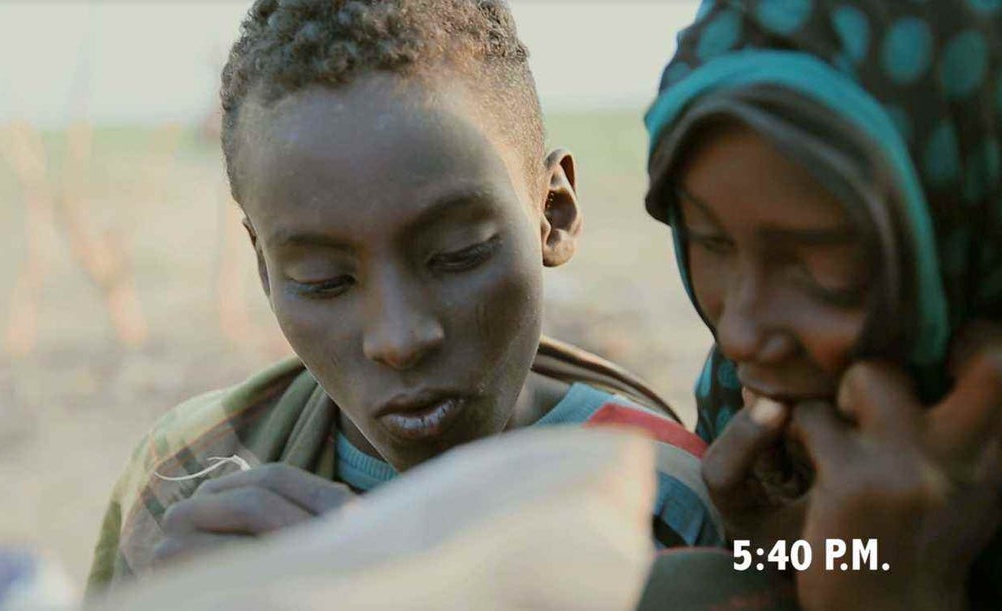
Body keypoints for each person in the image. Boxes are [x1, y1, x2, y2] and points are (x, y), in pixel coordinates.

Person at [86, 0, 719, 599]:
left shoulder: (664, 502)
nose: (398, 337)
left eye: (458, 253)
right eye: (323, 280)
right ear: (264, 268)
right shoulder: (190, 482)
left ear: (552, 212)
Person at [643, 0, 1002, 607]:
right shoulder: (752, 425)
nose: (740, 336)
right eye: (710, 242)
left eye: (816, 263)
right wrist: (776, 546)